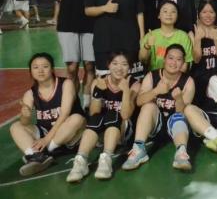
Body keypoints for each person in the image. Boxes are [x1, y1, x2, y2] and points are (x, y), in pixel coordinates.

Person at [66, 52, 141, 182]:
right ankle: (80, 161)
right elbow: (94, 112)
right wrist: (98, 91)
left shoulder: (134, 85)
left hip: (122, 131)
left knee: (112, 114)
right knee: (96, 118)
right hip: (99, 130)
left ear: (129, 67)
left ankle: (106, 159)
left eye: (124, 64)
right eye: (115, 63)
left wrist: (126, 91)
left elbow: (125, 115)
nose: (119, 68)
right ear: (108, 65)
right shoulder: (98, 81)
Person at [122, 44, 195, 171]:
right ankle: (138, 149)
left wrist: (179, 98)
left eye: (178, 59)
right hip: (156, 126)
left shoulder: (188, 81)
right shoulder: (152, 76)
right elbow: (139, 101)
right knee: (148, 106)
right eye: (171, 58)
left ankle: (181, 153)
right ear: (164, 59)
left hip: (176, 129)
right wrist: (157, 90)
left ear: (183, 63)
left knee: (179, 116)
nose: (174, 62)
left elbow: (182, 112)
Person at [10, 53, 85, 176]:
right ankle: (36, 155)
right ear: (31, 71)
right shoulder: (30, 94)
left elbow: (65, 114)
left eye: (45, 66)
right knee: (15, 126)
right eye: (35, 67)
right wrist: (25, 115)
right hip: (45, 131)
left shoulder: (66, 84)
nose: (40, 70)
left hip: (67, 133)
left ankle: (44, 152)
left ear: (52, 69)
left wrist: (46, 139)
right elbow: (25, 123)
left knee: (76, 119)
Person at [84, 0, 145, 80]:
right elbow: (88, 10)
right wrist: (104, 8)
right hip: (104, 41)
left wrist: (141, 38)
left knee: (131, 81)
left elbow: (139, 13)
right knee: (104, 82)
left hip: (129, 41)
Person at [189, 0, 217, 106]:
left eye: (211, 12)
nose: (208, 15)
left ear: (216, 14)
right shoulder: (192, 32)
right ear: (199, 14)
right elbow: (196, 59)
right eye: (204, 12)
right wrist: (197, 40)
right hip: (199, 78)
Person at [140, 0, 193, 71]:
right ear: (158, 15)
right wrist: (147, 46)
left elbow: (186, 63)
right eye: (165, 11)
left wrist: (174, 77)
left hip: (177, 75)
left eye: (173, 12)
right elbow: (142, 60)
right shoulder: (151, 35)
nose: (169, 14)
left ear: (177, 16)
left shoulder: (183, 36)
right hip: (155, 75)